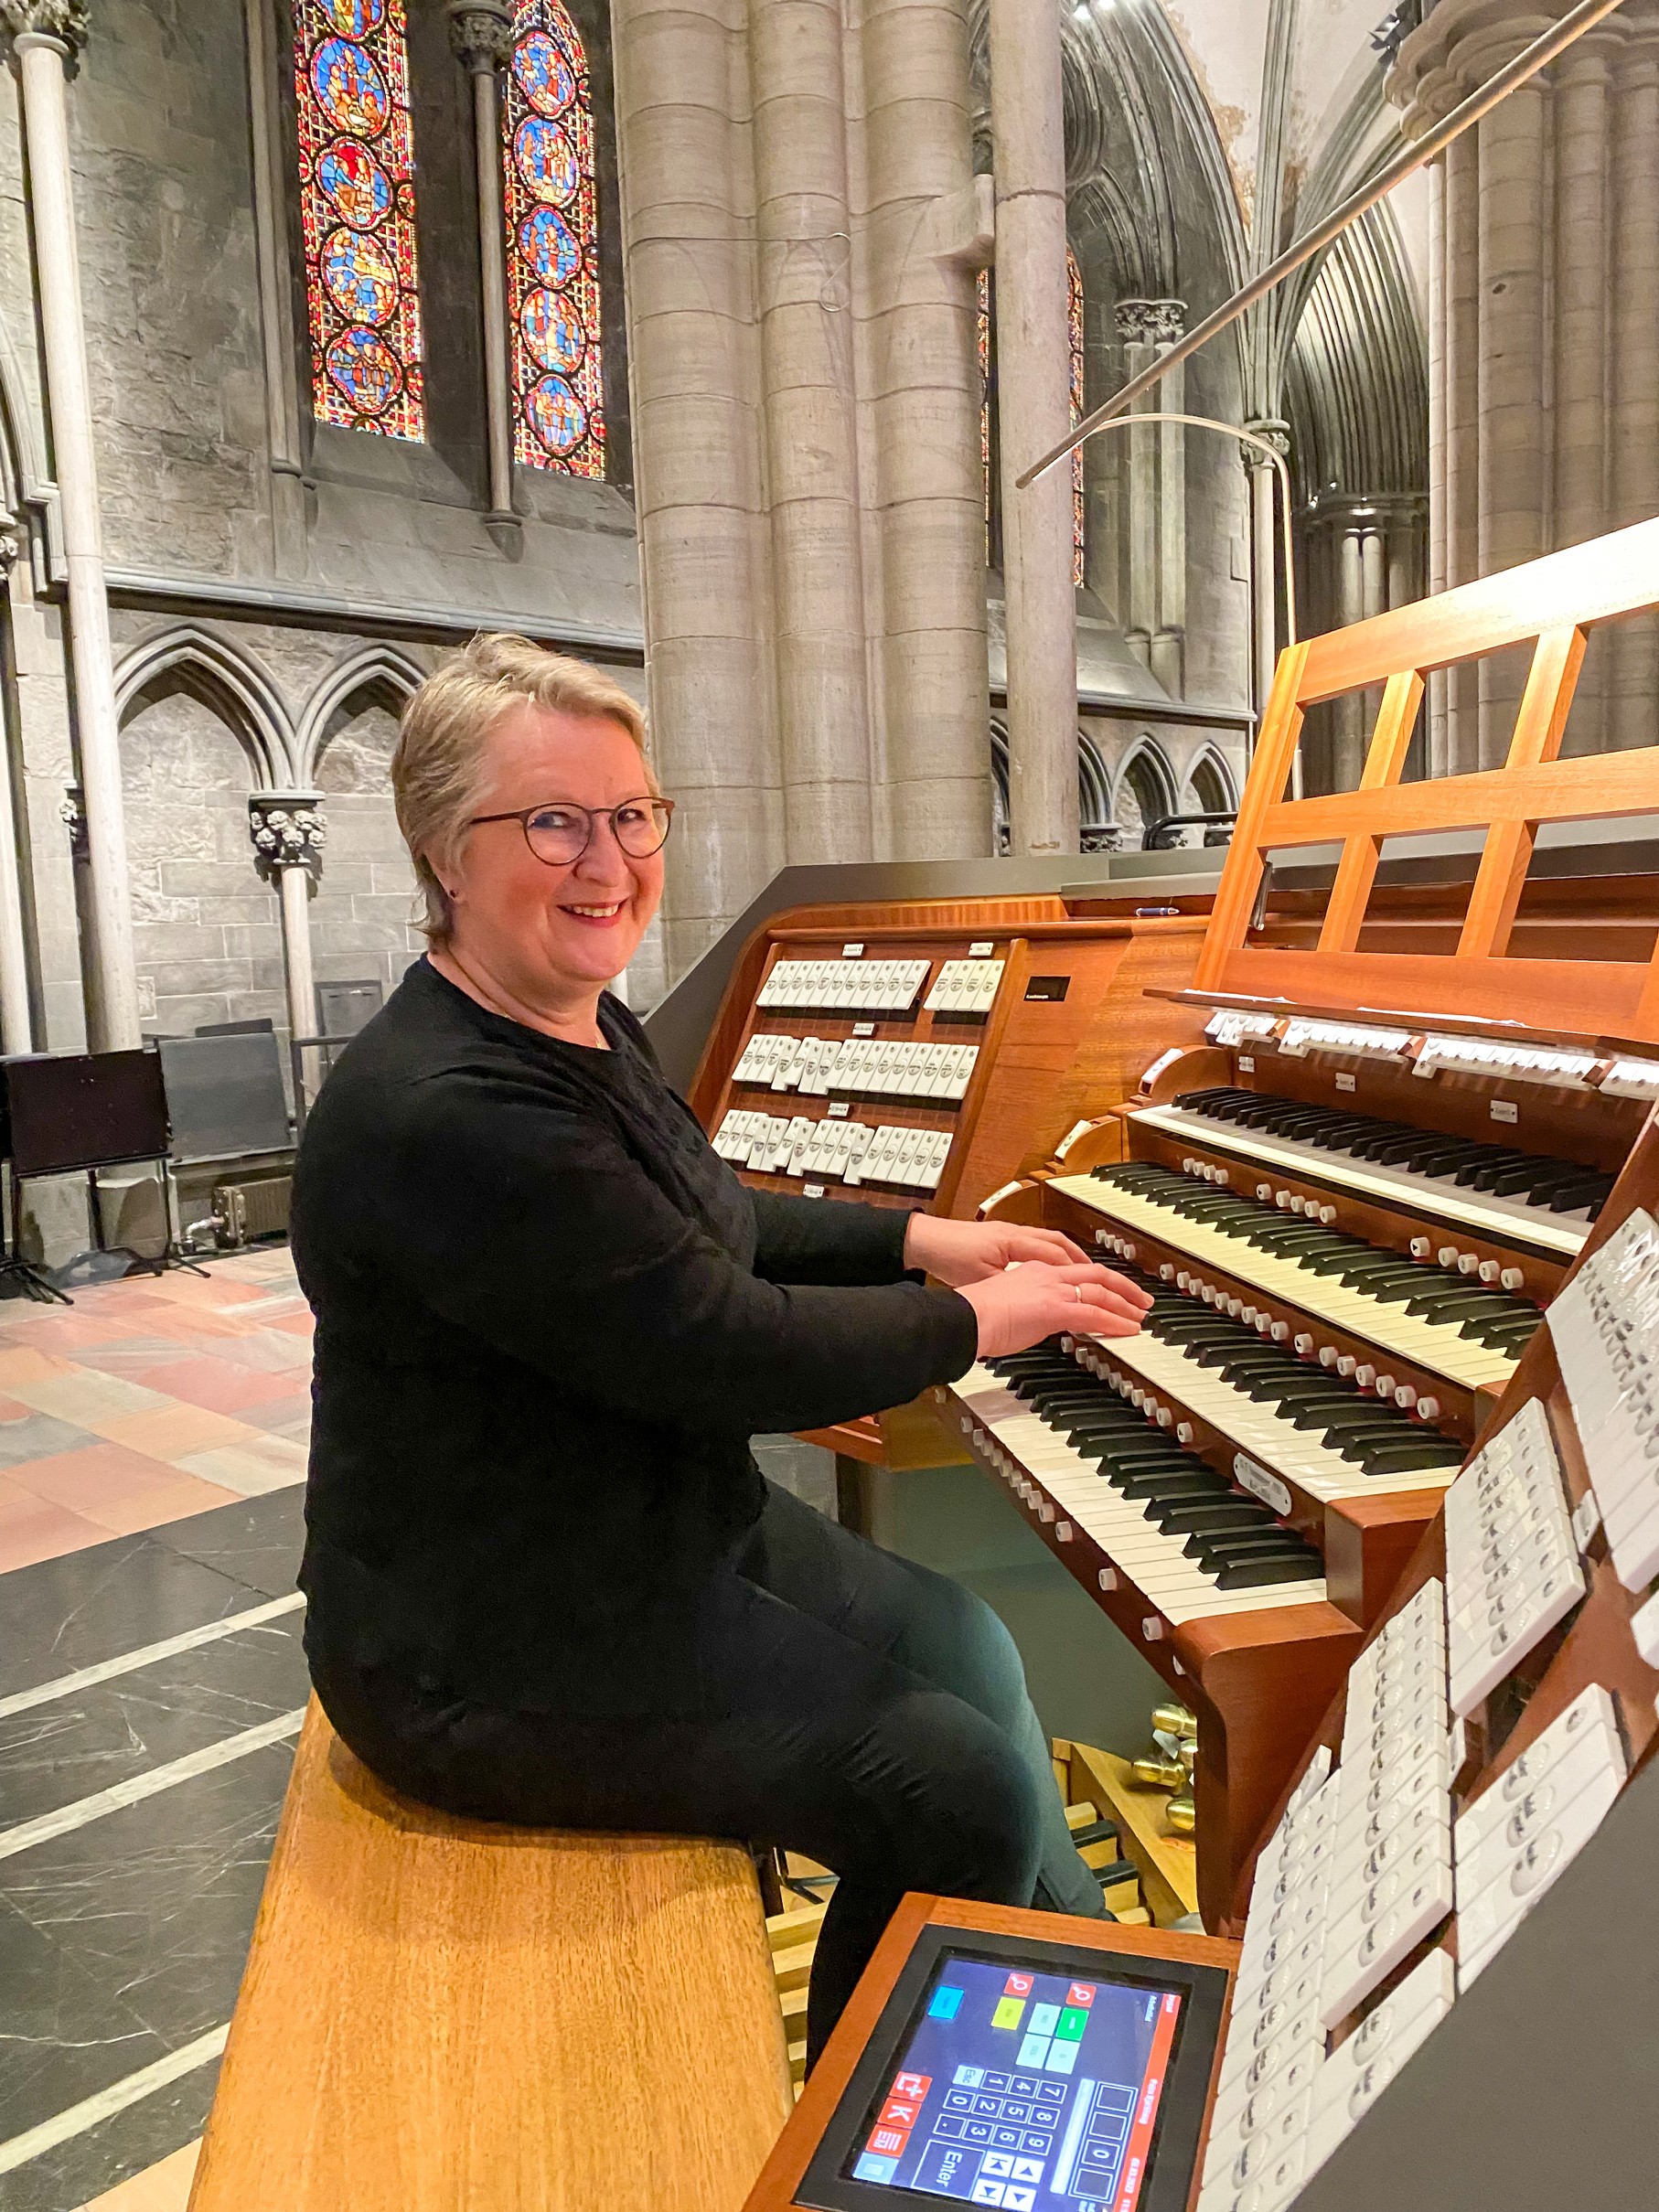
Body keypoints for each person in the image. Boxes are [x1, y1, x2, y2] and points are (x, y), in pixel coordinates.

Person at [291, 634, 1151, 2068]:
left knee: (972, 1645)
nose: (609, 861)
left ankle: (1079, 1994)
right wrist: (980, 1322)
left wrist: (919, 1242)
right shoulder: (447, 1107)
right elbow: (723, 1349)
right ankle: (864, 2137)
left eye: (633, 815)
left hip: (639, 1542)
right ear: (446, 851)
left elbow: (691, 1215)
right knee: (954, 1790)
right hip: (481, 1646)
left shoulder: (567, 1021)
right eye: (553, 820)